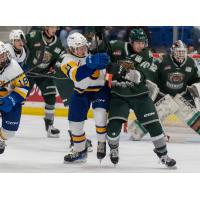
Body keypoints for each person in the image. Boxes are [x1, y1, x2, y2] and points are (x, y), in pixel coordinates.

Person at [104, 27, 176, 167]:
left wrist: (121, 71)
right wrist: (102, 53)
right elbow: (102, 49)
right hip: (119, 94)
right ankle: (113, 149)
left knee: (154, 124)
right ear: (130, 41)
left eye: (143, 42)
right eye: (137, 42)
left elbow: (139, 76)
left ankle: (163, 155)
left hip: (140, 94)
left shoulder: (146, 55)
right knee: (113, 129)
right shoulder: (117, 46)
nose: (141, 45)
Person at [129, 40, 200, 141]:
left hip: (183, 94)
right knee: (150, 117)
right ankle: (137, 130)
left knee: (193, 117)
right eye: (178, 52)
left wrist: (196, 86)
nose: (180, 54)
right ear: (172, 51)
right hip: (162, 94)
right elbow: (150, 74)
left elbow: (196, 79)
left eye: (182, 51)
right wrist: (146, 82)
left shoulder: (191, 62)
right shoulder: (162, 60)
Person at [59, 32, 110, 163]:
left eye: (83, 47)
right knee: (74, 125)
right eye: (78, 48)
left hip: (100, 90)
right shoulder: (66, 60)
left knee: (100, 116)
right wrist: (90, 65)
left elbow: (106, 69)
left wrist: (106, 62)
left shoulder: (93, 54)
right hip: (80, 92)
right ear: (71, 49)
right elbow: (76, 75)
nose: (82, 50)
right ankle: (80, 151)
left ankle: (102, 143)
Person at [25, 26, 65, 138]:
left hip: (44, 74)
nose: (54, 29)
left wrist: (53, 67)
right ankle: (5, 121)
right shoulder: (34, 36)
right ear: (46, 27)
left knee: (51, 96)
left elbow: (57, 60)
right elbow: (21, 48)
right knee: (20, 98)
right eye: (52, 27)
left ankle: (49, 127)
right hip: (28, 72)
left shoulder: (58, 44)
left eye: (55, 27)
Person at [0, 41, 29, 154]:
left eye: (4, 54)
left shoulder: (13, 67)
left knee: (9, 132)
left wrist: (11, 100)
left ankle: (1, 139)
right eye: (0, 56)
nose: (3, 58)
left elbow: (24, 87)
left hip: (9, 98)